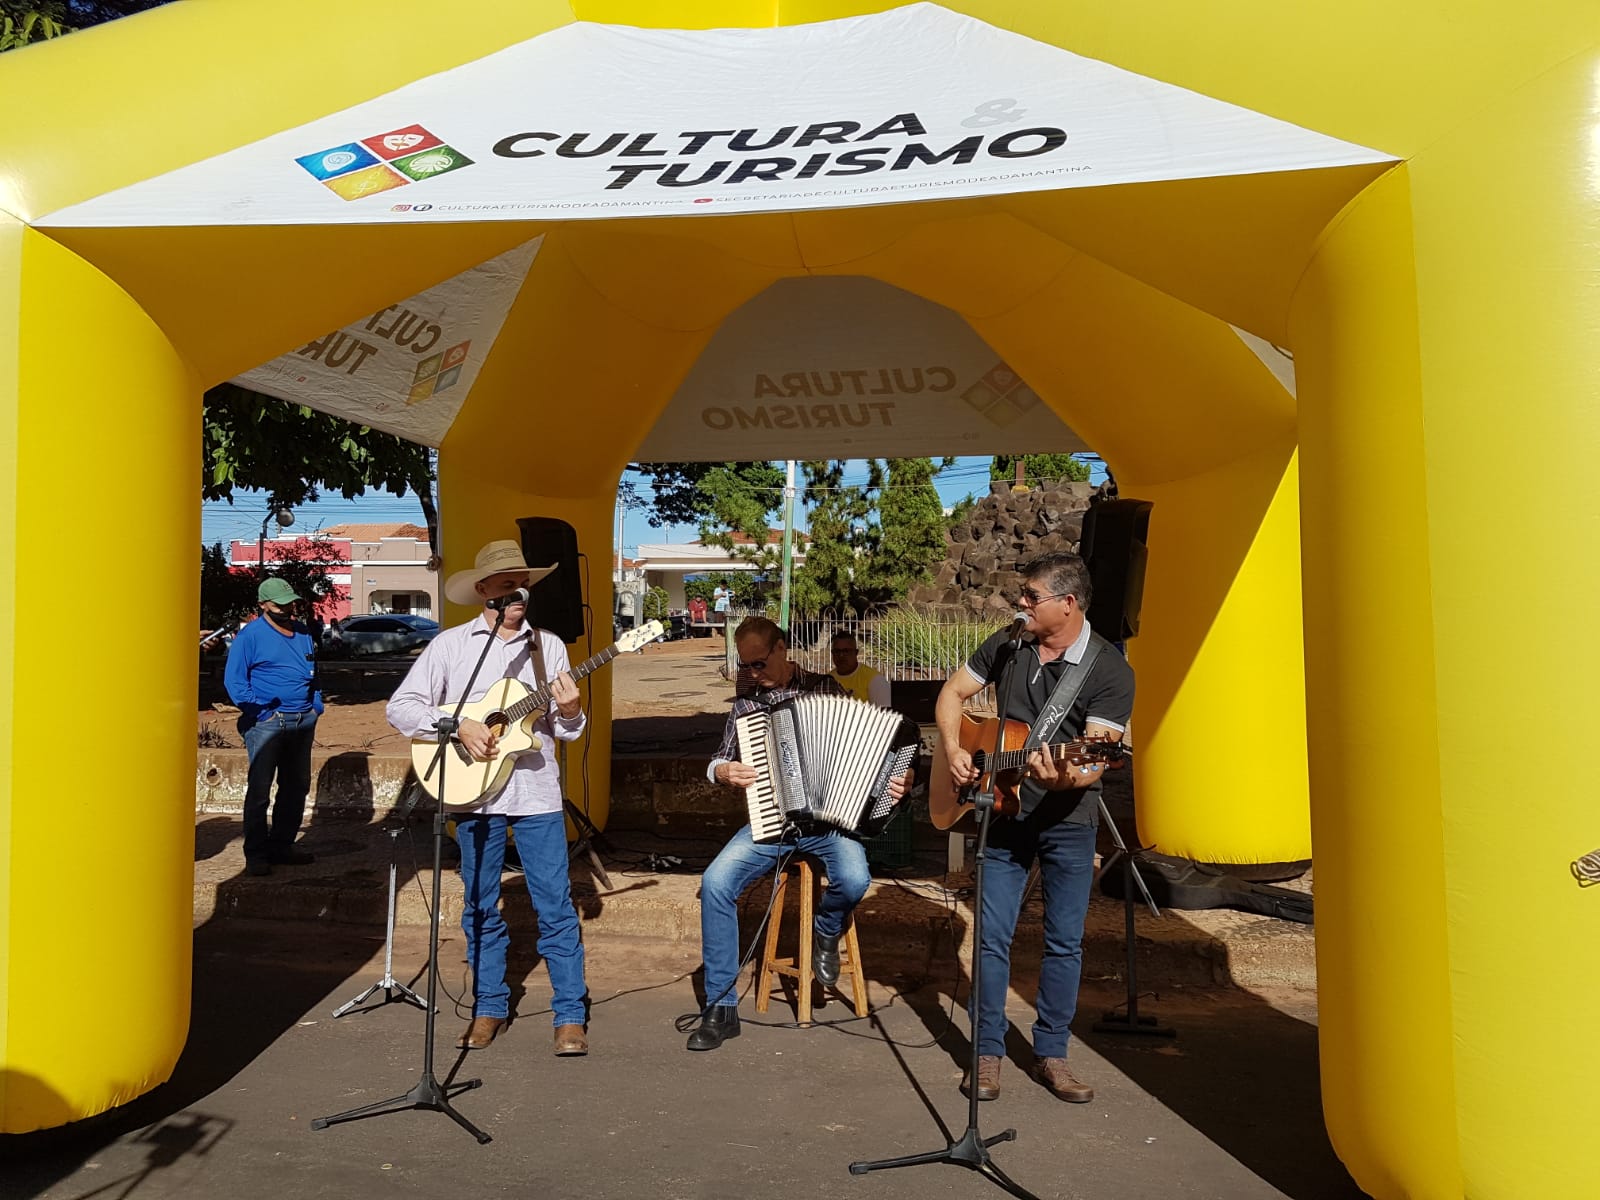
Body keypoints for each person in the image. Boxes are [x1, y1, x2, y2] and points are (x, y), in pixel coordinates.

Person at [935, 552, 1134, 1103]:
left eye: (1031, 596)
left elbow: (1093, 760)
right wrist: (954, 749)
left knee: (1064, 942)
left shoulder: (1110, 670)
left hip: (1070, 821)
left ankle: (1052, 1054)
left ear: (1068, 604)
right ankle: (987, 1054)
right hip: (1003, 811)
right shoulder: (1008, 642)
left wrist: (1066, 776)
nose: (1020, 604)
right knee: (993, 938)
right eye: (1022, 595)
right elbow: (953, 694)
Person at [386, 539, 591, 1055]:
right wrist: (459, 725)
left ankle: (570, 1014)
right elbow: (402, 707)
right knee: (479, 906)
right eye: (505, 585)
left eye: (521, 584)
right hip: (473, 795)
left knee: (555, 903)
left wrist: (569, 709)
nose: (516, 592)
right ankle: (489, 1006)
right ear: (483, 592)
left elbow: (566, 731)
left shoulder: (549, 647)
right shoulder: (451, 647)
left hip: (537, 793)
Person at [689, 616, 913, 1051]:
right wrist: (724, 771)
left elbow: (873, 753)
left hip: (827, 824)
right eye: (745, 665)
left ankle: (827, 926)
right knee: (714, 883)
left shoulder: (827, 688)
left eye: (758, 663)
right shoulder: (745, 704)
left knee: (855, 879)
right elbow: (715, 760)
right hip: (770, 823)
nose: (751, 674)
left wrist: (894, 782)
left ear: (781, 649)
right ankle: (720, 1007)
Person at [225, 577, 323, 877]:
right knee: (259, 791)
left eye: (290, 601)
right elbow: (234, 681)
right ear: (263, 605)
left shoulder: (304, 631)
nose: (288, 608)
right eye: (280, 604)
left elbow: (312, 669)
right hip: (268, 723)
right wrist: (262, 712)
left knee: (296, 787)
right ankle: (256, 854)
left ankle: (282, 846)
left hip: (303, 719)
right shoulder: (250, 636)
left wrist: (315, 704)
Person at [828, 631, 891, 707]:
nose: (841, 655)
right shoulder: (828, 680)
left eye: (846, 651)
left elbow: (885, 715)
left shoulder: (874, 680)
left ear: (856, 652)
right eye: (837, 651)